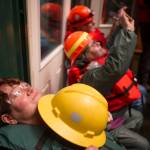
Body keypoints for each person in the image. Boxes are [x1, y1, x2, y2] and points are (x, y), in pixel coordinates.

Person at [64, 8, 150, 150]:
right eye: (93, 44)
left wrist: (119, 26)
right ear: (83, 56)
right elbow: (115, 67)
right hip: (104, 124)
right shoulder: (88, 77)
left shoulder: (93, 63)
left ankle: (120, 139)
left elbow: (109, 47)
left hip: (114, 112)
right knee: (145, 145)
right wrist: (128, 30)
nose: (98, 43)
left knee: (138, 117)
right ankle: (110, 139)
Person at [0, 78, 127, 150]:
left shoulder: (60, 105)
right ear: (9, 118)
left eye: (24, 84)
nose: (27, 89)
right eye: (16, 93)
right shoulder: (7, 141)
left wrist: (97, 122)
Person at [136, 0, 150, 91]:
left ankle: (143, 81)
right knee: (147, 53)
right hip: (147, 21)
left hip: (146, 20)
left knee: (147, 53)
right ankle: (143, 81)